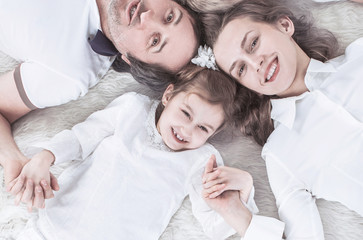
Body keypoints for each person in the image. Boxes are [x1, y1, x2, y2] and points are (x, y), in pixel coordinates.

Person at [6, 65, 259, 239]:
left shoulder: (201, 159)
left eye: (203, 128)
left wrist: (244, 192)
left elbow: (213, 223)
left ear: (212, 134)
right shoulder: (132, 109)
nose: (187, 130)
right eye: (186, 113)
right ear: (169, 95)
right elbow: (81, 138)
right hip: (52, 229)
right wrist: (45, 156)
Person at [0, 0, 202, 196]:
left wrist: (12, 158)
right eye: (169, 16)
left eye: (155, 41)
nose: (147, 16)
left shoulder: (71, 72)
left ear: (130, 60)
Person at [200, 0, 363, 239]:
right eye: (241, 70)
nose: (256, 64)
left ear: (284, 25)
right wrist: (239, 215)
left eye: (253, 43)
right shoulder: (281, 154)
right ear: (248, 87)